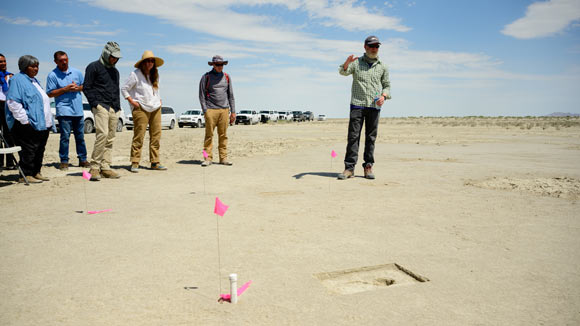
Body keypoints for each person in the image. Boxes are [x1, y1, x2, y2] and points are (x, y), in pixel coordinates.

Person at [337, 35, 390, 180]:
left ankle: (368, 167)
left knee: (370, 138)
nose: (374, 49)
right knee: (353, 137)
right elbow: (343, 72)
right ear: (365, 47)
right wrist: (347, 63)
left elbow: (387, 85)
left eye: (377, 46)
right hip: (357, 105)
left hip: (374, 106)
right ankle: (349, 168)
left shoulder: (382, 66)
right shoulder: (356, 63)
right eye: (371, 46)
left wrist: (383, 96)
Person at [5, 55, 53, 183]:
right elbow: (13, 102)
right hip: (27, 123)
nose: (36, 69)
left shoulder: (34, 80)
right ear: (25, 67)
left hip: (42, 123)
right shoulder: (17, 80)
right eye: (32, 66)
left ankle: (36, 172)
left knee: (39, 149)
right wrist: (24, 120)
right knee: (29, 149)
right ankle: (26, 174)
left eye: (37, 66)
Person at [121, 50, 167, 173]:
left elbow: (155, 90)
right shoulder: (135, 74)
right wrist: (132, 102)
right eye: (147, 61)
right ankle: (135, 162)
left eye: (152, 61)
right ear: (143, 62)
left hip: (156, 107)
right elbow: (124, 89)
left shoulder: (155, 74)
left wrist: (159, 100)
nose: (149, 63)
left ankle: (155, 162)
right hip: (141, 108)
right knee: (139, 135)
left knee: (156, 136)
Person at [83, 41, 122, 181]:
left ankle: (105, 167)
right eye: (113, 56)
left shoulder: (115, 71)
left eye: (117, 58)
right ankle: (94, 167)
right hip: (100, 106)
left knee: (111, 137)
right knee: (102, 135)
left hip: (114, 107)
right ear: (106, 53)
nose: (115, 59)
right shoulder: (93, 67)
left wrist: (117, 107)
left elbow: (116, 89)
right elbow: (86, 87)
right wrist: (95, 104)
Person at [46, 51, 89, 171]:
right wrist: (65, 89)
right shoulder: (52, 75)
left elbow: (85, 86)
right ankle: (64, 161)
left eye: (66, 59)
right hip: (64, 110)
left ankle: (83, 159)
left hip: (78, 110)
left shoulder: (77, 72)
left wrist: (78, 88)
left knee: (80, 136)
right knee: (65, 137)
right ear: (55, 62)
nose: (64, 62)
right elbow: (50, 93)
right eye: (61, 60)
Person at [198, 55, 236, 167]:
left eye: (222, 64)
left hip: (224, 110)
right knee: (208, 136)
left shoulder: (227, 77)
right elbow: (201, 95)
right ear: (213, 65)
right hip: (210, 110)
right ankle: (206, 158)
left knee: (223, 135)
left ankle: (223, 158)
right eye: (218, 64)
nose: (220, 66)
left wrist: (233, 111)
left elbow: (231, 95)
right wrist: (205, 110)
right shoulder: (206, 77)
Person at [0, 53, 16, 170]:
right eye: (0, 62)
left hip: (8, 106)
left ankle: (10, 162)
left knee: (9, 134)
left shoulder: (11, 76)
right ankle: (0, 163)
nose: (3, 64)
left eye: (4, 61)